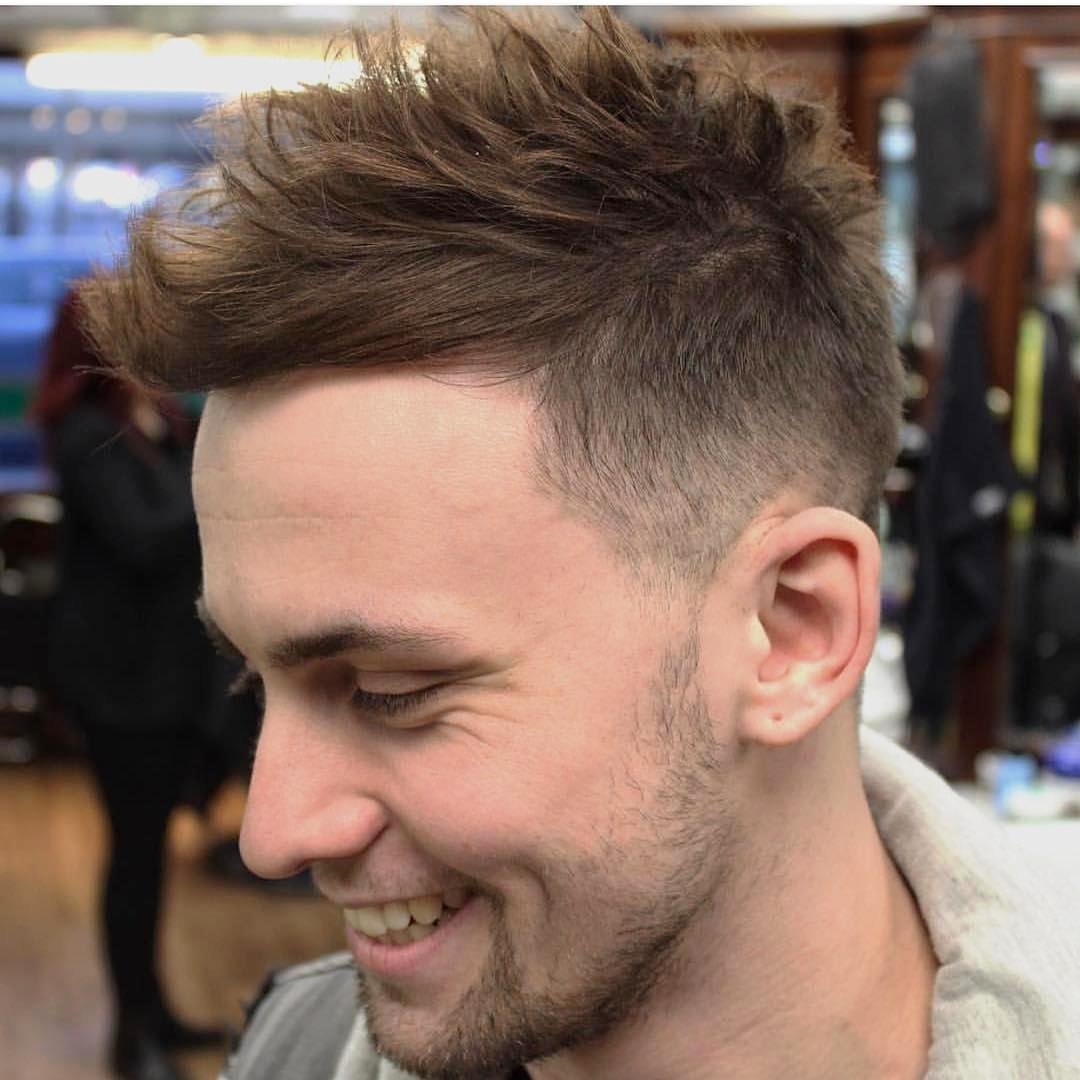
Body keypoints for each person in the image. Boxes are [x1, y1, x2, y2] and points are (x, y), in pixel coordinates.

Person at [78, 10, 1079, 1079]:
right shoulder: (293, 1049)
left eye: (391, 692)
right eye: (253, 680)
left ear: (794, 628)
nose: (275, 833)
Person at [31, 289, 225, 1080]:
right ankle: (131, 1031)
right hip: (120, 683)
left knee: (148, 856)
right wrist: (220, 472)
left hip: (163, 673)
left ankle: (155, 1010)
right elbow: (146, 537)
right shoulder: (86, 432)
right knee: (136, 857)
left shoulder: (156, 420)